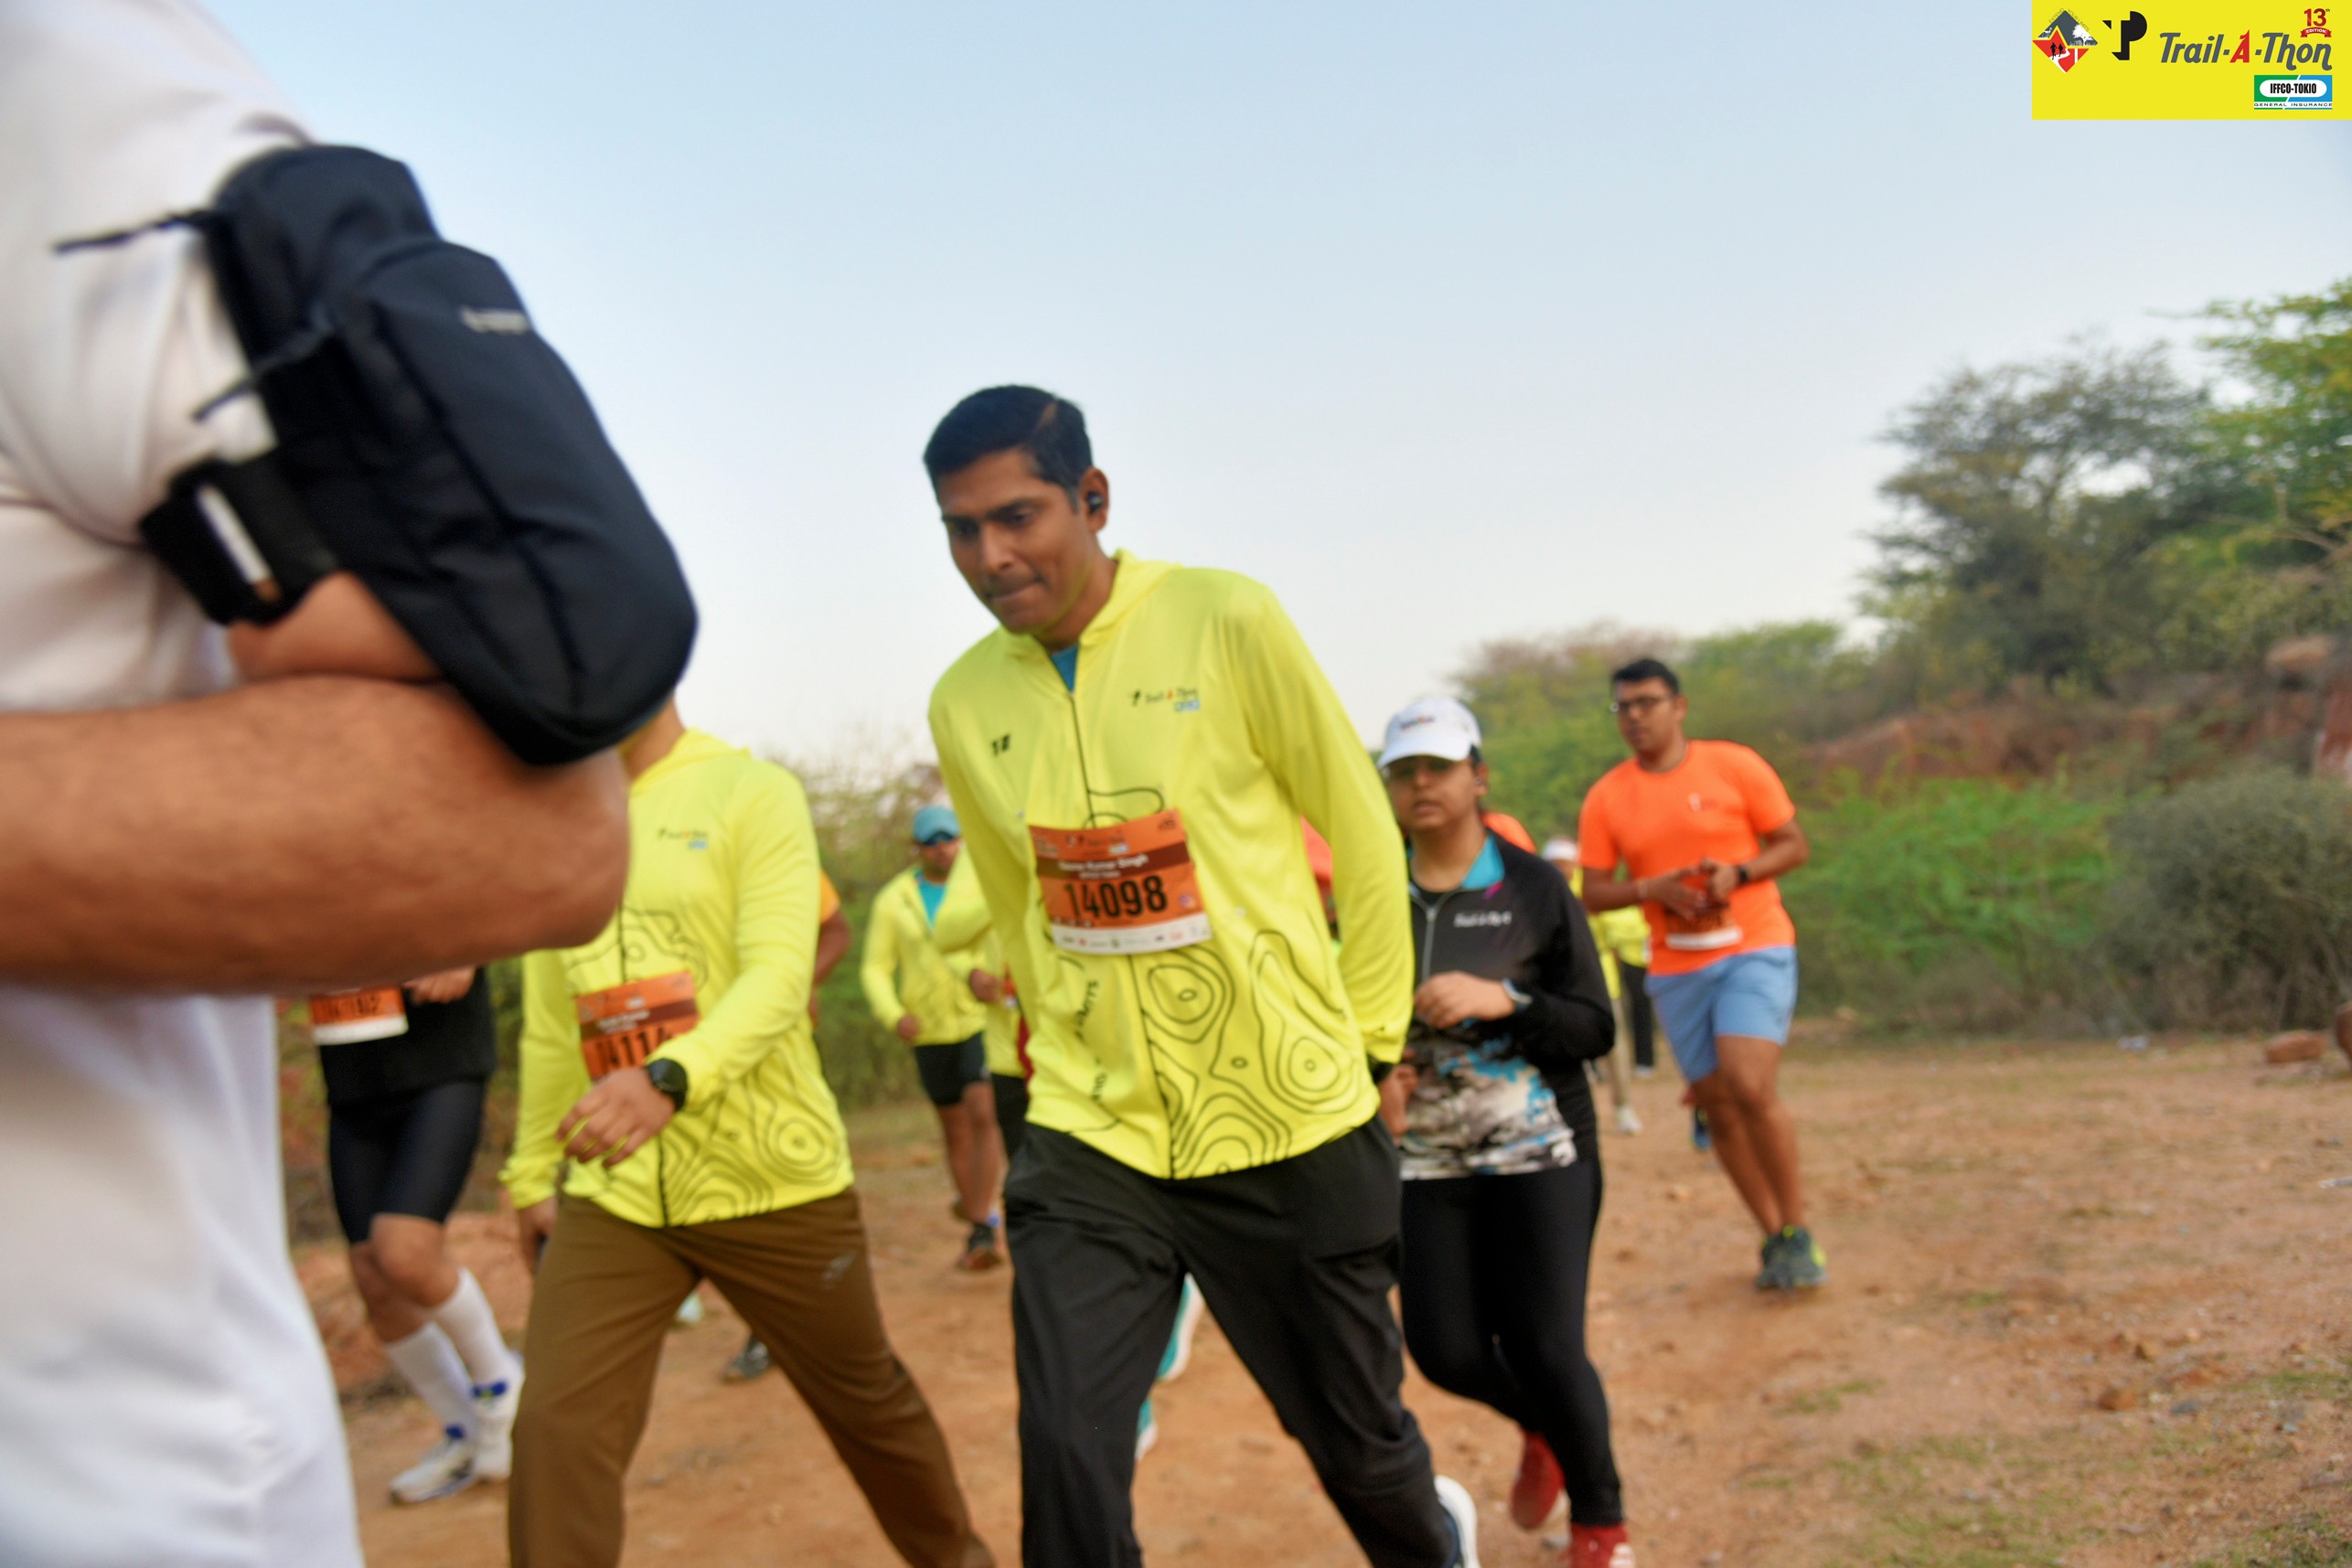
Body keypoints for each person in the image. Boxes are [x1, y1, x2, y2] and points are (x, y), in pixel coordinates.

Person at [0, 6, 636, 1563]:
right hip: (343, 1057)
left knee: (411, 1247)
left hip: (89, 1491)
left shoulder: (66, 102)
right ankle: (475, 1416)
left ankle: (501, 1406)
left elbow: (537, 805)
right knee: (376, 1270)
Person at [924, 386, 1481, 1567]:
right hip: (1096, 1127)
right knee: (1069, 1454)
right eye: (961, 528)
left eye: (1017, 515)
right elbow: (1020, 903)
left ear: (1092, 498)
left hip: (1285, 1112)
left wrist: (1372, 1041)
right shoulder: (964, 700)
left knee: (1356, 1447)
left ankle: (1433, 1538)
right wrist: (1058, 1052)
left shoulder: (1225, 617)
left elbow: (1360, 828)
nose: (990, 554)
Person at [501, 701, 991, 1568]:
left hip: (772, 1179)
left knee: (868, 1406)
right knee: (554, 1428)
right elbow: (551, 1022)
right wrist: (533, 1171)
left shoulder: (751, 792)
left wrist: (669, 1078)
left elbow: (778, 975)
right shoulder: (552, 819)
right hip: (618, 1191)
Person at [1382, 700, 1633, 1568]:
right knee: (1444, 1348)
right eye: (1404, 770)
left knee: (1548, 1343)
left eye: (1438, 766)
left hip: (1541, 1147)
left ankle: (1602, 1523)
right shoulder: (1374, 896)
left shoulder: (1531, 887)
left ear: (1478, 776)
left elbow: (1594, 1025)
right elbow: (1343, 1017)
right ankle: (1546, 1426)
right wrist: (1376, 1075)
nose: (1421, 783)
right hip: (1424, 1154)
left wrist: (1506, 1001)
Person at [1577, 657, 1824, 1291]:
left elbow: (1793, 844)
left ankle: (1799, 1229)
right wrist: (1652, 888)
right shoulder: (1608, 796)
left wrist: (1737, 873)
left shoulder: (1734, 765)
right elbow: (1594, 892)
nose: (1635, 716)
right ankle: (1773, 1235)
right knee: (1717, 1104)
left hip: (1753, 945)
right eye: (1624, 706)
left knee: (1748, 1083)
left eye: (1648, 702)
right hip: (1676, 965)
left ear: (1679, 706)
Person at [313, 965, 525, 1502]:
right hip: (352, 1075)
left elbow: (508, 906)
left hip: (438, 1058)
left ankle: (501, 1385)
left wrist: (467, 952)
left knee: (405, 1253)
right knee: (371, 1273)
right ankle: (462, 1428)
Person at [724, 869, 855, 1382]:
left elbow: (836, 929)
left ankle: (788, 1327)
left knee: (781, 1176)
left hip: (778, 1051)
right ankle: (766, 1327)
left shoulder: (775, 847)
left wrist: (801, 984)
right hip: (696, 1047)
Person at [862, 805, 1006, 1268]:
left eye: (949, 839)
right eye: (931, 842)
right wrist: (893, 1014)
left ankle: (982, 1225)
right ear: (916, 848)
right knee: (955, 1127)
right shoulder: (894, 900)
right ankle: (977, 1218)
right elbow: (875, 967)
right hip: (928, 1030)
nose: (942, 849)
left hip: (978, 1019)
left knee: (983, 1110)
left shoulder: (980, 885)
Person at [1539, 839, 1643, 1136]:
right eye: (1555, 864)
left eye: (1565, 863)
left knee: (1615, 1047)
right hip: (1556, 987)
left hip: (1600, 982)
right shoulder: (1541, 892)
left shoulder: (1592, 892)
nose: (1561, 869)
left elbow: (1628, 928)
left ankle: (1623, 1107)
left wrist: (1596, 915)